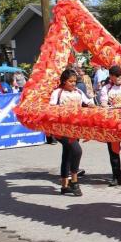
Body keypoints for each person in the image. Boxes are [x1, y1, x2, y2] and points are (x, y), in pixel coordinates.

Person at [49, 68, 94, 196]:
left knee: (67, 155)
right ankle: (74, 181)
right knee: (77, 151)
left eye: (74, 81)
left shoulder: (79, 92)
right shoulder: (57, 93)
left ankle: (64, 186)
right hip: (61, 130)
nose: (73, 84)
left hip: (75, 129)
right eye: (70, 81)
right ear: (64, 81)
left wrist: (98, 108)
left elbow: (89, 103)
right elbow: (51, 110)